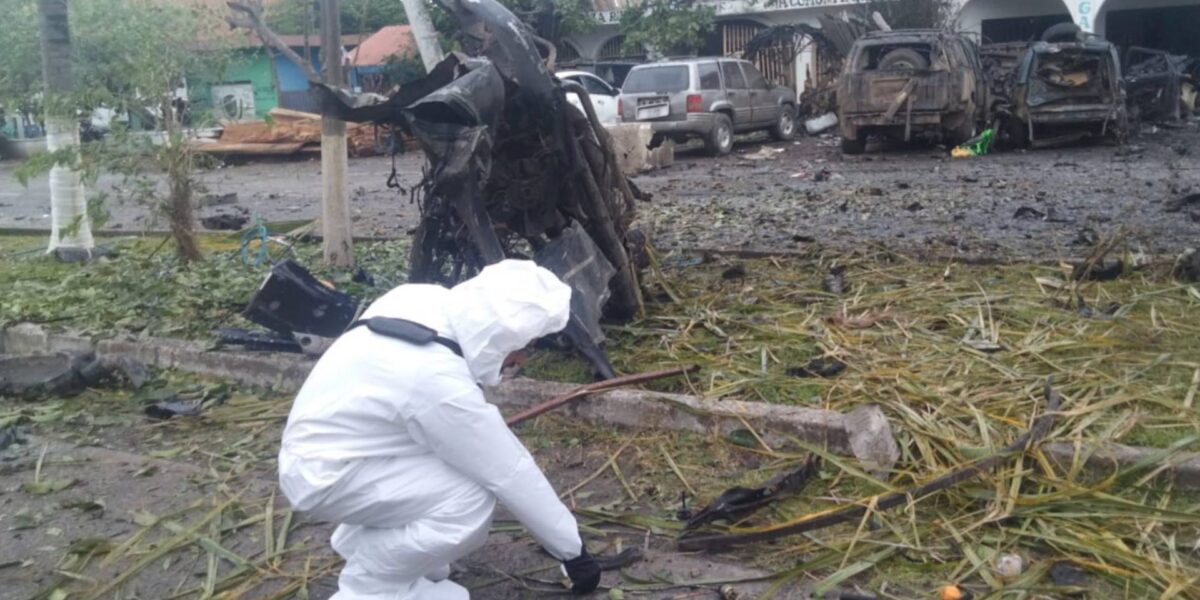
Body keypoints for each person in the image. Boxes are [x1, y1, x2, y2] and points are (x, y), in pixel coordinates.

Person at [278, 260, 602, 599]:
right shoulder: (435, 380)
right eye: (524, 346)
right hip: (327, 475)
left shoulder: (421, 299)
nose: (522, 359)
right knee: (468, 500)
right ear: (497, 336)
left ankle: (384, 555)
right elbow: (508, 470)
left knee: (451, 467)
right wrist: (573, 552)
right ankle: (370, 585)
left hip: (333, 449)